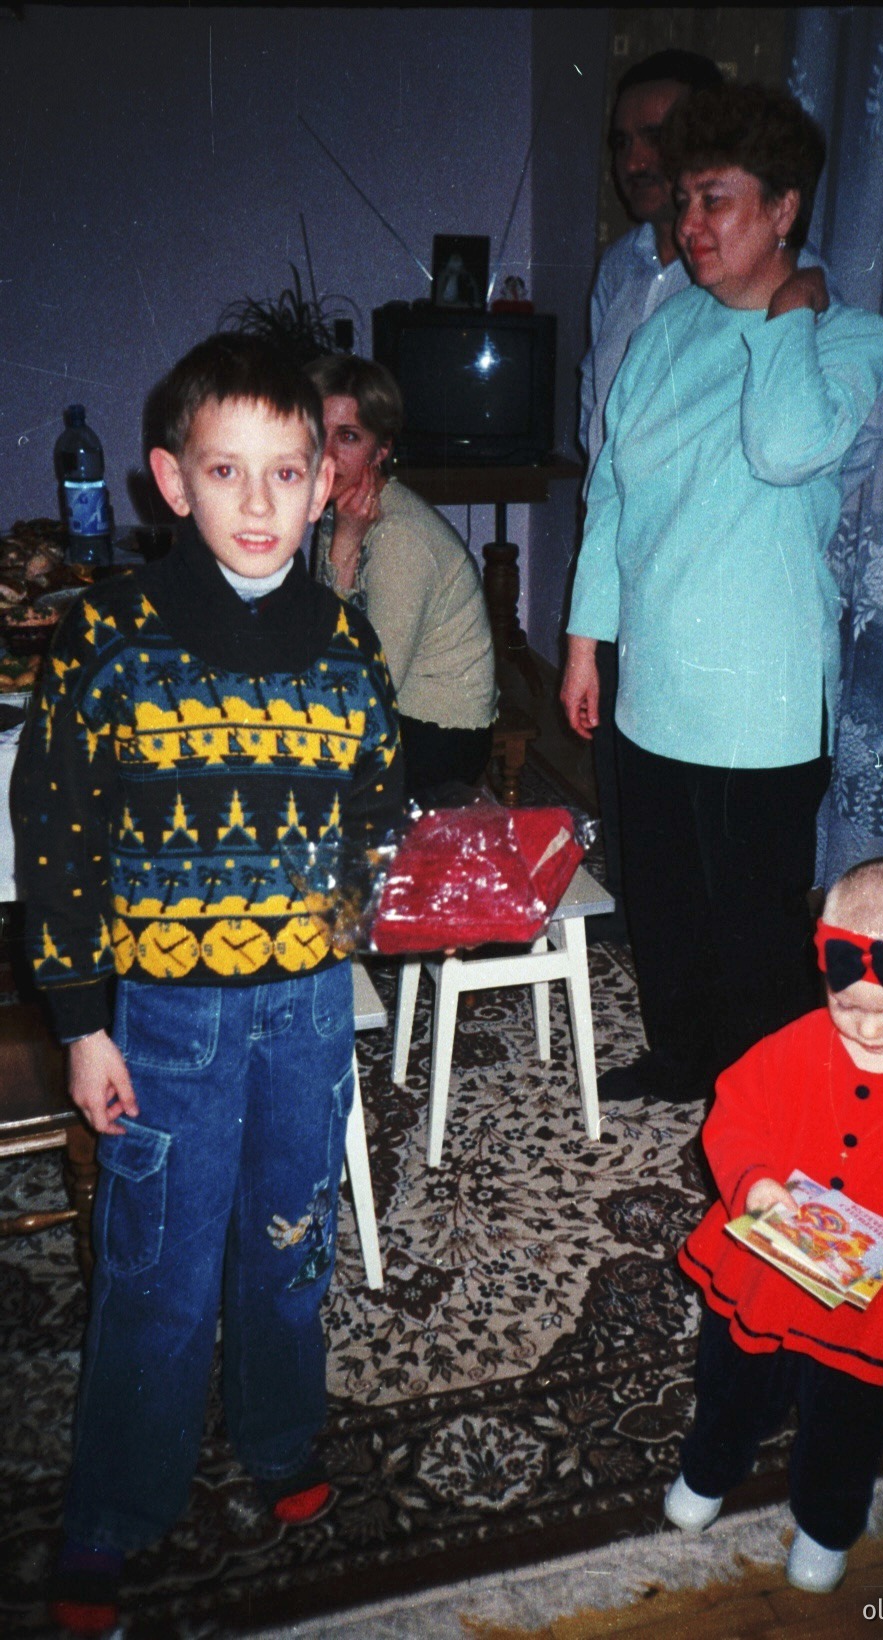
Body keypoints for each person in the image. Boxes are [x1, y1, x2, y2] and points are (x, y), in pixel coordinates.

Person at [13, 333, 403, 1634]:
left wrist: (361, 919)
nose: (255, 502)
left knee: (291, 1246)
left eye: (286, 472)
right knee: (159, 1271)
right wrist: (81, 1024)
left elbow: (375, 810)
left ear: (322, 486)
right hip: (165, 1016)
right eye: (225, 471)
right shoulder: (106, 643)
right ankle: (116, 1509)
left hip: (304, 1009)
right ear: (170, 480)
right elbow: (57, 838)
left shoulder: (350, 651)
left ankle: (282, 1441)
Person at [562, 84, 883, 1107]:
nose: (689, 225)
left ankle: (761, 1094)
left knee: (749, 915)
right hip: (654, 673)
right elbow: (614, 489)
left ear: (783, 210)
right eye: (684, 204)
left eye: (716, 201)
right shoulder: (667, 332)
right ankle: (678, 1055)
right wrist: (584, 642)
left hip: (761, 698)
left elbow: (785, 444)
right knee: (659, 892)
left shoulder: (848, 338)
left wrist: (789, 318)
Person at [667, 858, 883, 1592]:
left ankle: (827, 1525)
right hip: (762, 1279)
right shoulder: (794, 1045)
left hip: (873, 1307)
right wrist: (754, 1183)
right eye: (847, 1002)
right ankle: (708, 1471)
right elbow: (733, 1115)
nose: (868, 1027)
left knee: (849, 1428)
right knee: (730, 1385)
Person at [306, 354, 498, 803]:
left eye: (349, 437)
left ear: (382, 449)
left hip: (439, 734)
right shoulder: (341, 511)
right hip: (397, 711)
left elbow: (366, 689)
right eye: (319, 433)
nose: (327, 454)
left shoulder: (398, 537)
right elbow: (320, 635)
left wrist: (342, 549)